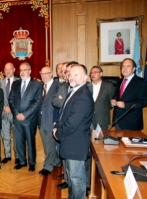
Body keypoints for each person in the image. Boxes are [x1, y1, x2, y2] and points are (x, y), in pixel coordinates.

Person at [53, 64, 94, 199]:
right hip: (70, 141)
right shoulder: (74, 91)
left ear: (85, 77)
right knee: (70, 176)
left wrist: (58, 133)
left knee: (76, 178)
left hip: (75, 143)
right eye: (70, 74)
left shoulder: (82, 95)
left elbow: (72, 122)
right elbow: (64, 114)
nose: (71, 77)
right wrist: (57, 126)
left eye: (76, 75)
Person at [9, 62, 42, 172]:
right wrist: (16, 114)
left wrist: (25, 114)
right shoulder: (15, 84)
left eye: (25, 70)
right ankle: (22, 162)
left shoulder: (37, 84)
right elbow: (11, 99)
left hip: (29, 119)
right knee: (18, 141)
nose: (22, 72)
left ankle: (32, 162)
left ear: (30, 71)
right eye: (21, 70)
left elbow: (37, 102)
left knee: (30, 142)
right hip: (17, 118)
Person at [52, 61, 78, 190]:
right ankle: (67, 178)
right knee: (64, 153)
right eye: (66, 72)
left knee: (73, 157)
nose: (67, 74)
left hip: (75, 127)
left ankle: (75, 182)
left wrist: (65, 101)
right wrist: (65, 101)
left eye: (69, 72)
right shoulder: (63, 86)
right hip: (62, 125)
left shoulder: (84, 87)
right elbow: (55, 100)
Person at [111, 58, 147, 130]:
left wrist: (126, 104)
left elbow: (145, 101)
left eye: (128, 66)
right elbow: (117, 95)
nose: (125, 68)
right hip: (118, 120)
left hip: (132, 123)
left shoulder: (141, 82)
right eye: (123, 66)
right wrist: (114, 99)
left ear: (133, 69)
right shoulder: (119, 81)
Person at [38, 67, 61, 176]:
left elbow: (58, 105)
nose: (43, 75)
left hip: (51, 120)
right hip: (41, 120)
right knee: (46, 144)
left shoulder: (58, 86)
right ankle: (56, 161)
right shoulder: (41, 86)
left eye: (46, 73)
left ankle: (48, 166)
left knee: (50, 144)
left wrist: (56, 121)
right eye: (41, 73)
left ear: (51, 74)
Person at [0, 62, 19, 164]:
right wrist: (3, 107)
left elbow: (21, 99)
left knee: (17, 136)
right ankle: (7, 155)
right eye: (6, 69)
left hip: (15, 113)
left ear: (14, 70)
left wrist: (11, 108)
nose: (8, 71)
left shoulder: (19, 81)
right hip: (3, 114)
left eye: (10, 69)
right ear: (4, 71)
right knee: (5, 135)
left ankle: (18, 156)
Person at [89, 66, 115, 130]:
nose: (93, 74)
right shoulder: (87, 86)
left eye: (95, 72)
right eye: (91, 73)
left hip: (102, 119)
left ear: (101, 74)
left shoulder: (108, 86)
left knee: (102, 139)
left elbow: (112, 102)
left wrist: (103, 109)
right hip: (88, 119)